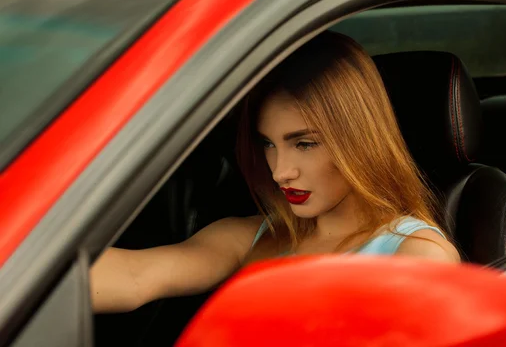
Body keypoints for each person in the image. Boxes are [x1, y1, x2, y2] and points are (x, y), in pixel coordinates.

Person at [90, 31, 460, 314]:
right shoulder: (250, 236)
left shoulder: (417, 258)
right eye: (268, 144)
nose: (280, 171)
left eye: (304, 144)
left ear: (358, 141)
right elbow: (135, 277)